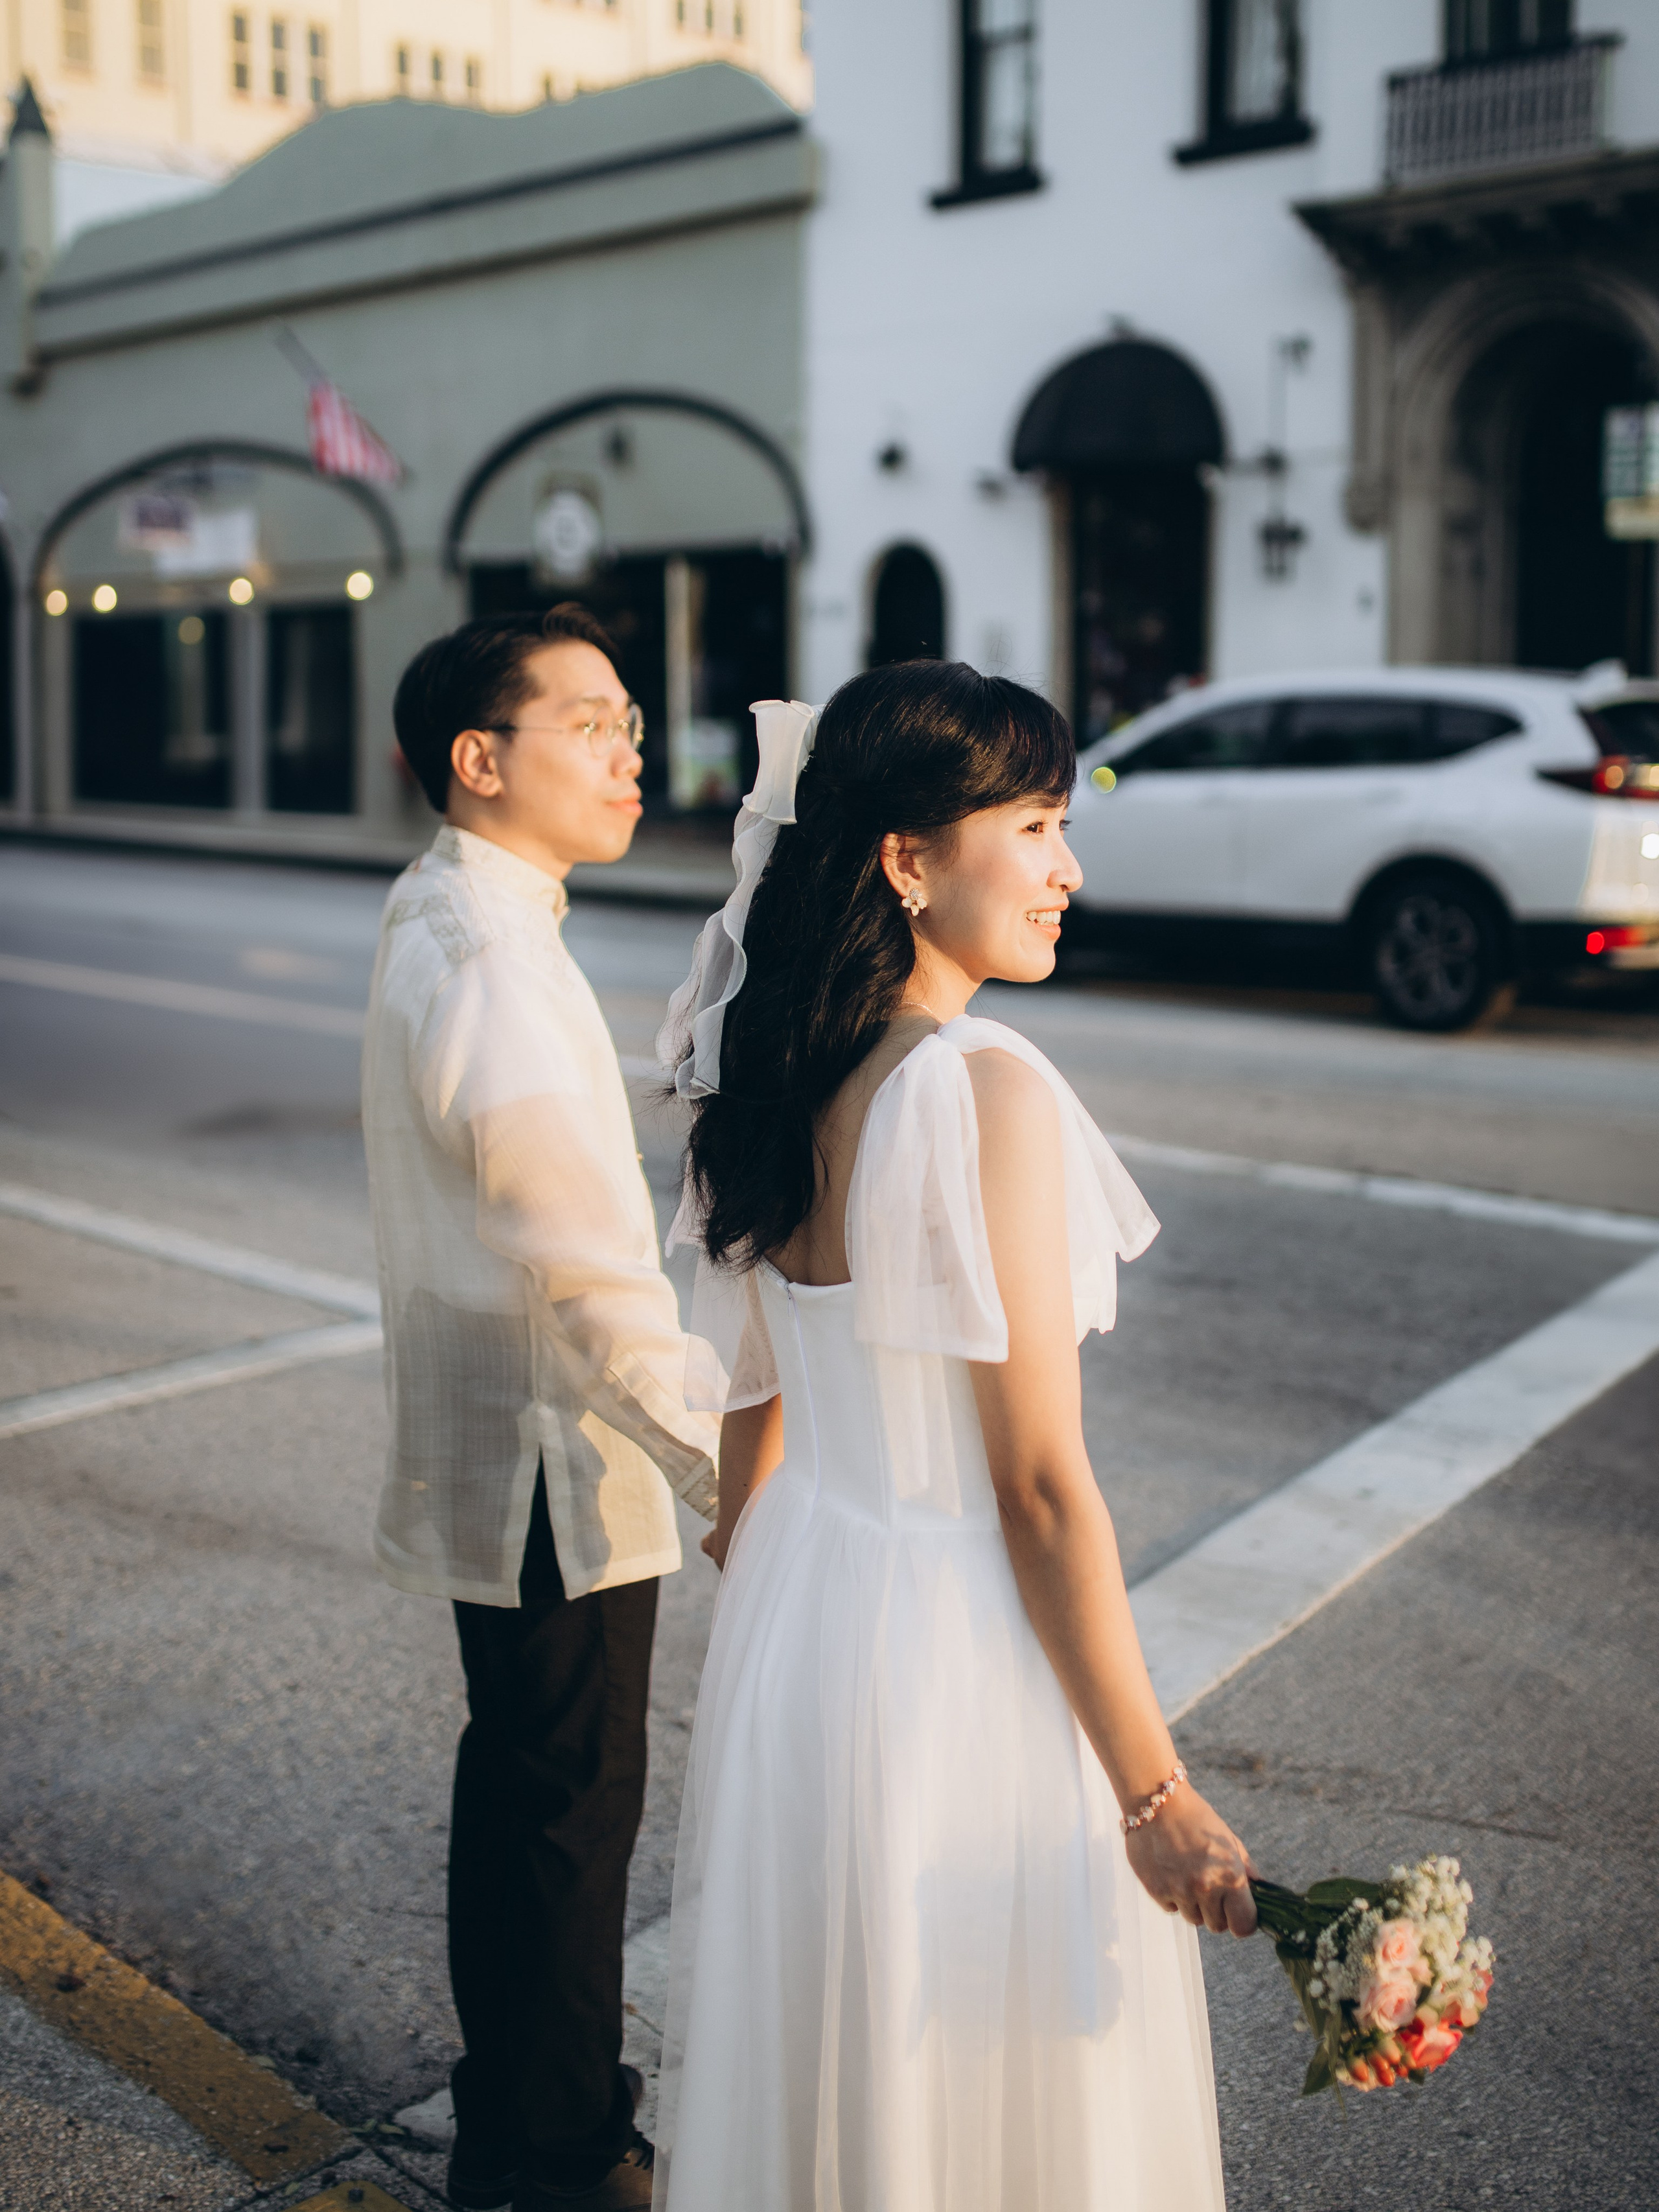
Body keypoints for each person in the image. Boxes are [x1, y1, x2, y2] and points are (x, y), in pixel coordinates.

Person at [653, 666, 1256, 2210]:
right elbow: (1038, 1490)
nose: (1067, 869)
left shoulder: (786, 1069)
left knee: (839, 2062)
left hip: (815, 1614)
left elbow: (756, 1403)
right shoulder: (981, 1087)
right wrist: (1150, 1797)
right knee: (984, 2067)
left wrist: (781, 1580)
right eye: (1038, 825)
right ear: (908, 863)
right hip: (953, 1639)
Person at [362, 605, 719, 2212]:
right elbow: (584, 1264)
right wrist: (728, 1457)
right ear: (478, 758)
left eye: (631, 720)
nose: (627, 747)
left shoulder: (452, 910)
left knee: (521, 1794)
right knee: (570, 1819)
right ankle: (556, 2154)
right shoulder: (497, 959)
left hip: (499, 1444)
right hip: (547, 1467)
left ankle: (523, 2111)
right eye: (589, 721)